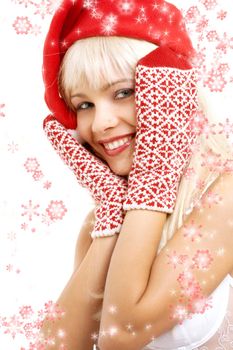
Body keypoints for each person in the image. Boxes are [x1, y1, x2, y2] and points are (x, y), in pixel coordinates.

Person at [38, 0, 233, 349]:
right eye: (84, 105)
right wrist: (113, 209)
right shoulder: (100, 221)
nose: (101, 123)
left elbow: (122, 334)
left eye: (123, 92)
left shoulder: (224, 195)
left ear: (173, 95)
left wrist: (154, 173)